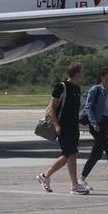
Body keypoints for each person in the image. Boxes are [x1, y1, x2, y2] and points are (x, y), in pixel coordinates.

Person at [37, 62, 88, 194]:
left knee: (73, 154)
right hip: (62, 127)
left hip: (73, 127)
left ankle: (74, 185)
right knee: (67, 154)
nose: (84, 74)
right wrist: (57, 125)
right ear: (76, 73)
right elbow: (52, 107)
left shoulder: (77, 88)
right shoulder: (61, 87)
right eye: (82, 71)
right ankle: (45, 176)